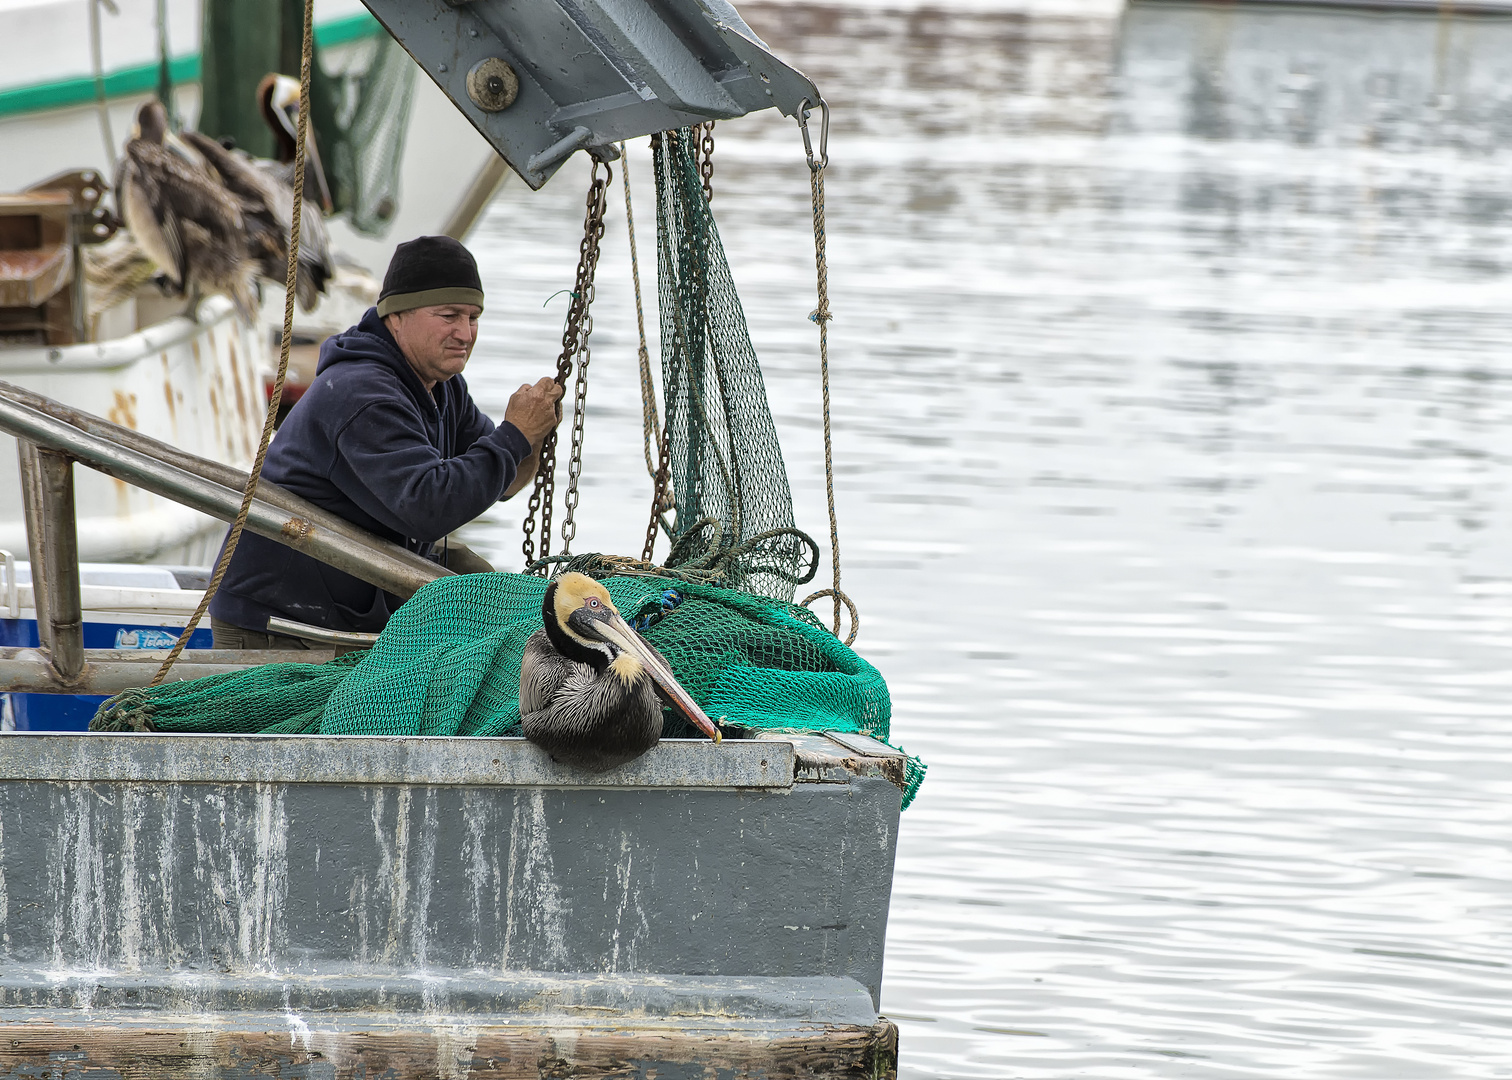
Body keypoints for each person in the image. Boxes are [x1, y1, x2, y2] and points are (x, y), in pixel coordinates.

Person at [208, 235, 563, 648]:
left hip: (343, 603)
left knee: (480, 580)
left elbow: (499, 483)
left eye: (473, 317)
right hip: (279, 621)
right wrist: (515, 433)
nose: (465, 333)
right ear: (396, 316)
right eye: (448, 315)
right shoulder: (363, 394)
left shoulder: (441, 385)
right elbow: (429, 507)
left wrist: (532, 435)